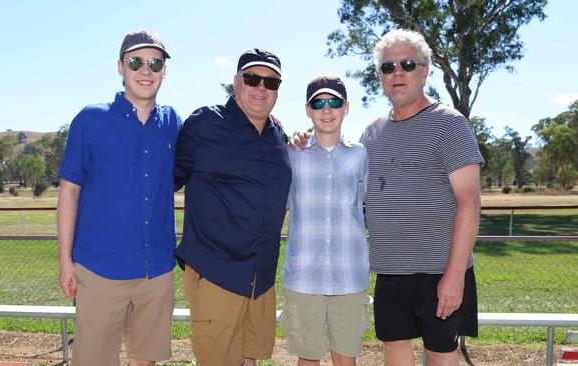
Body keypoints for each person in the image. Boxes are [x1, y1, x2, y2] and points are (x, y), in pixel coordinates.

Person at [293, 28, 482, 366]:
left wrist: (454, 276)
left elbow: (469, 202)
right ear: (379, 75)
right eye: (388, 67)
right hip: (389, 270)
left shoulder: (450, 124)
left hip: (439, 270)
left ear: (425, 71)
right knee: (394, 347)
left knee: (440, 352)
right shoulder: (372, 133)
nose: (398, 73)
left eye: (407, 64)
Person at [57, 29, 182, 366]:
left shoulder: (173, 123)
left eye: (155, 63)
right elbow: (69, 191)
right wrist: (66, 262)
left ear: (164, 71)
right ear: (120, 67)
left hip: (156, 272)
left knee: (146, 360)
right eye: (136, 61)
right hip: (99, 271)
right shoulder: (90, 120)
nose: (146, 70)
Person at [173, 48, 292, 366]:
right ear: (236, 81)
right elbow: (165, 181)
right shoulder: (205, 124)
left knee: (250, 359)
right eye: (253, 78)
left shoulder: (279, 135)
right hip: (217, 273)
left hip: (261, 278)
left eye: (271, 82)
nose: (261, 88)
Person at [281, 76, 370, 366]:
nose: (327, 109)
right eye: (319, 103)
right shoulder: (292, 154)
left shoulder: (360, 154)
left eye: (334, 102)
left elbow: (368, 206)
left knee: (346, 360)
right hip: (304, 277)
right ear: (308, 110)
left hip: (349, 277)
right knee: (308, 360)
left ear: (347, 108)